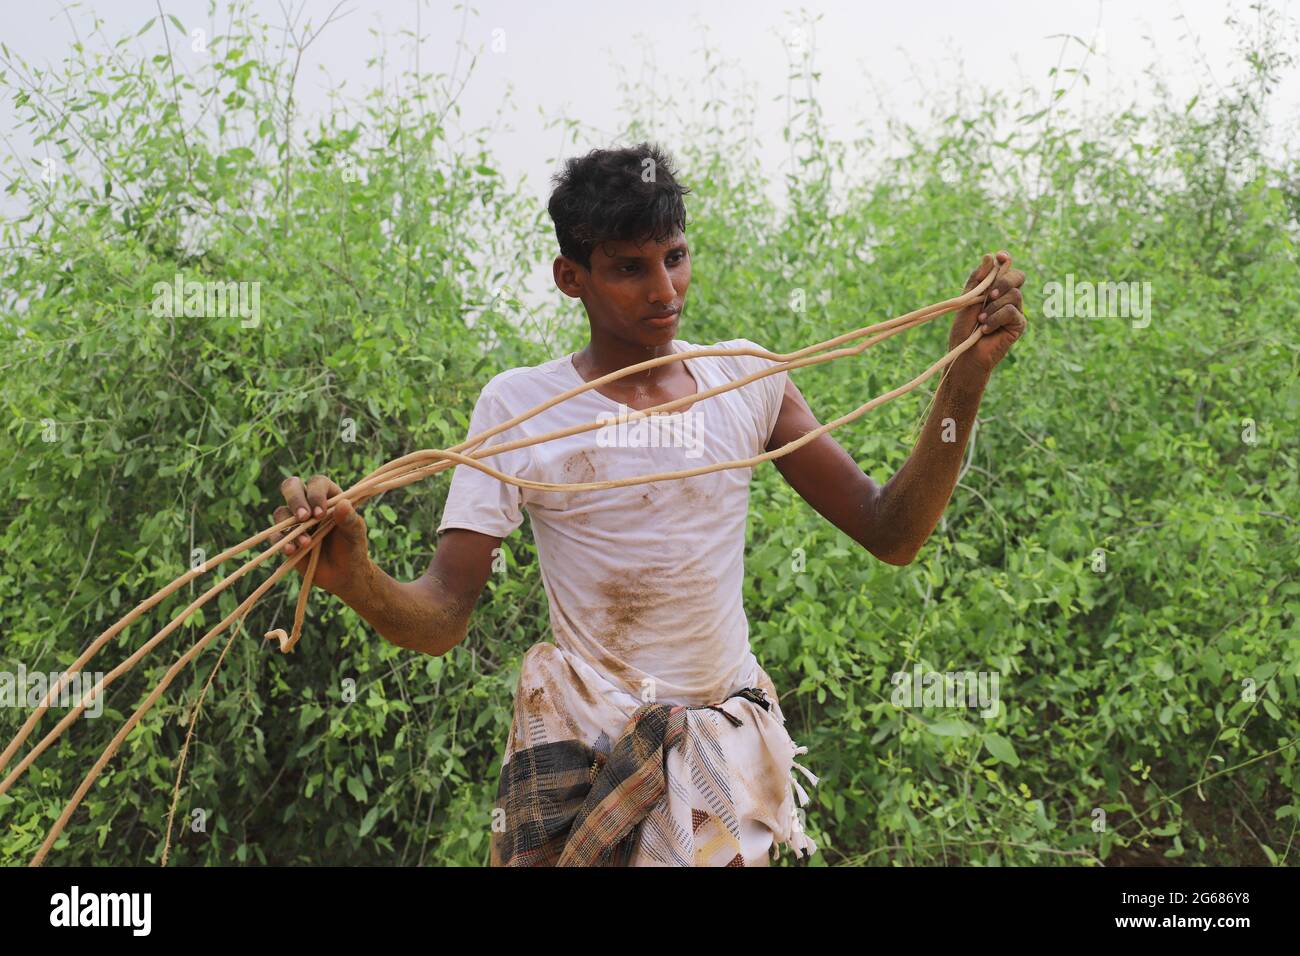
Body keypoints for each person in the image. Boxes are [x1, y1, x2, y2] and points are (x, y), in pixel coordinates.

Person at [270, 142, 1027, 866]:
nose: (664, 291)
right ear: (572, 277)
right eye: (630, 269)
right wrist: (356, 579)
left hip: (720, 764)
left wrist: (967, 378)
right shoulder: (521, 407)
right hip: (586, 760)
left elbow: (889, 530)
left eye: (675, 257)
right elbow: (442, 616)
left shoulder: (747, 379)